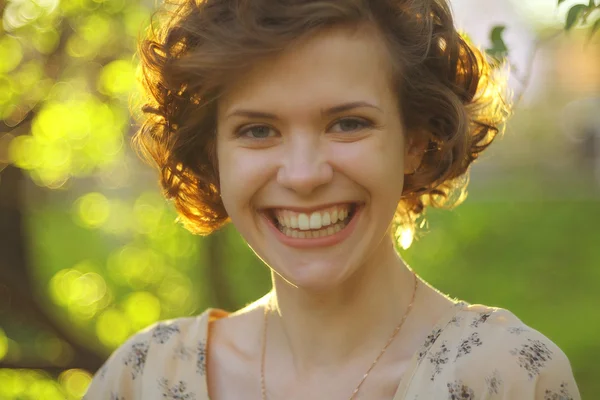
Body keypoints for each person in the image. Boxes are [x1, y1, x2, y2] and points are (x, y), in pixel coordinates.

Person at [84, 0, 581, 399]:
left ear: (414, 140)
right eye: (258, 130)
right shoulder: (142, 378)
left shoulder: (508, 377)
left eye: (348, 123)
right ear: (213, 155)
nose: (303, 176)